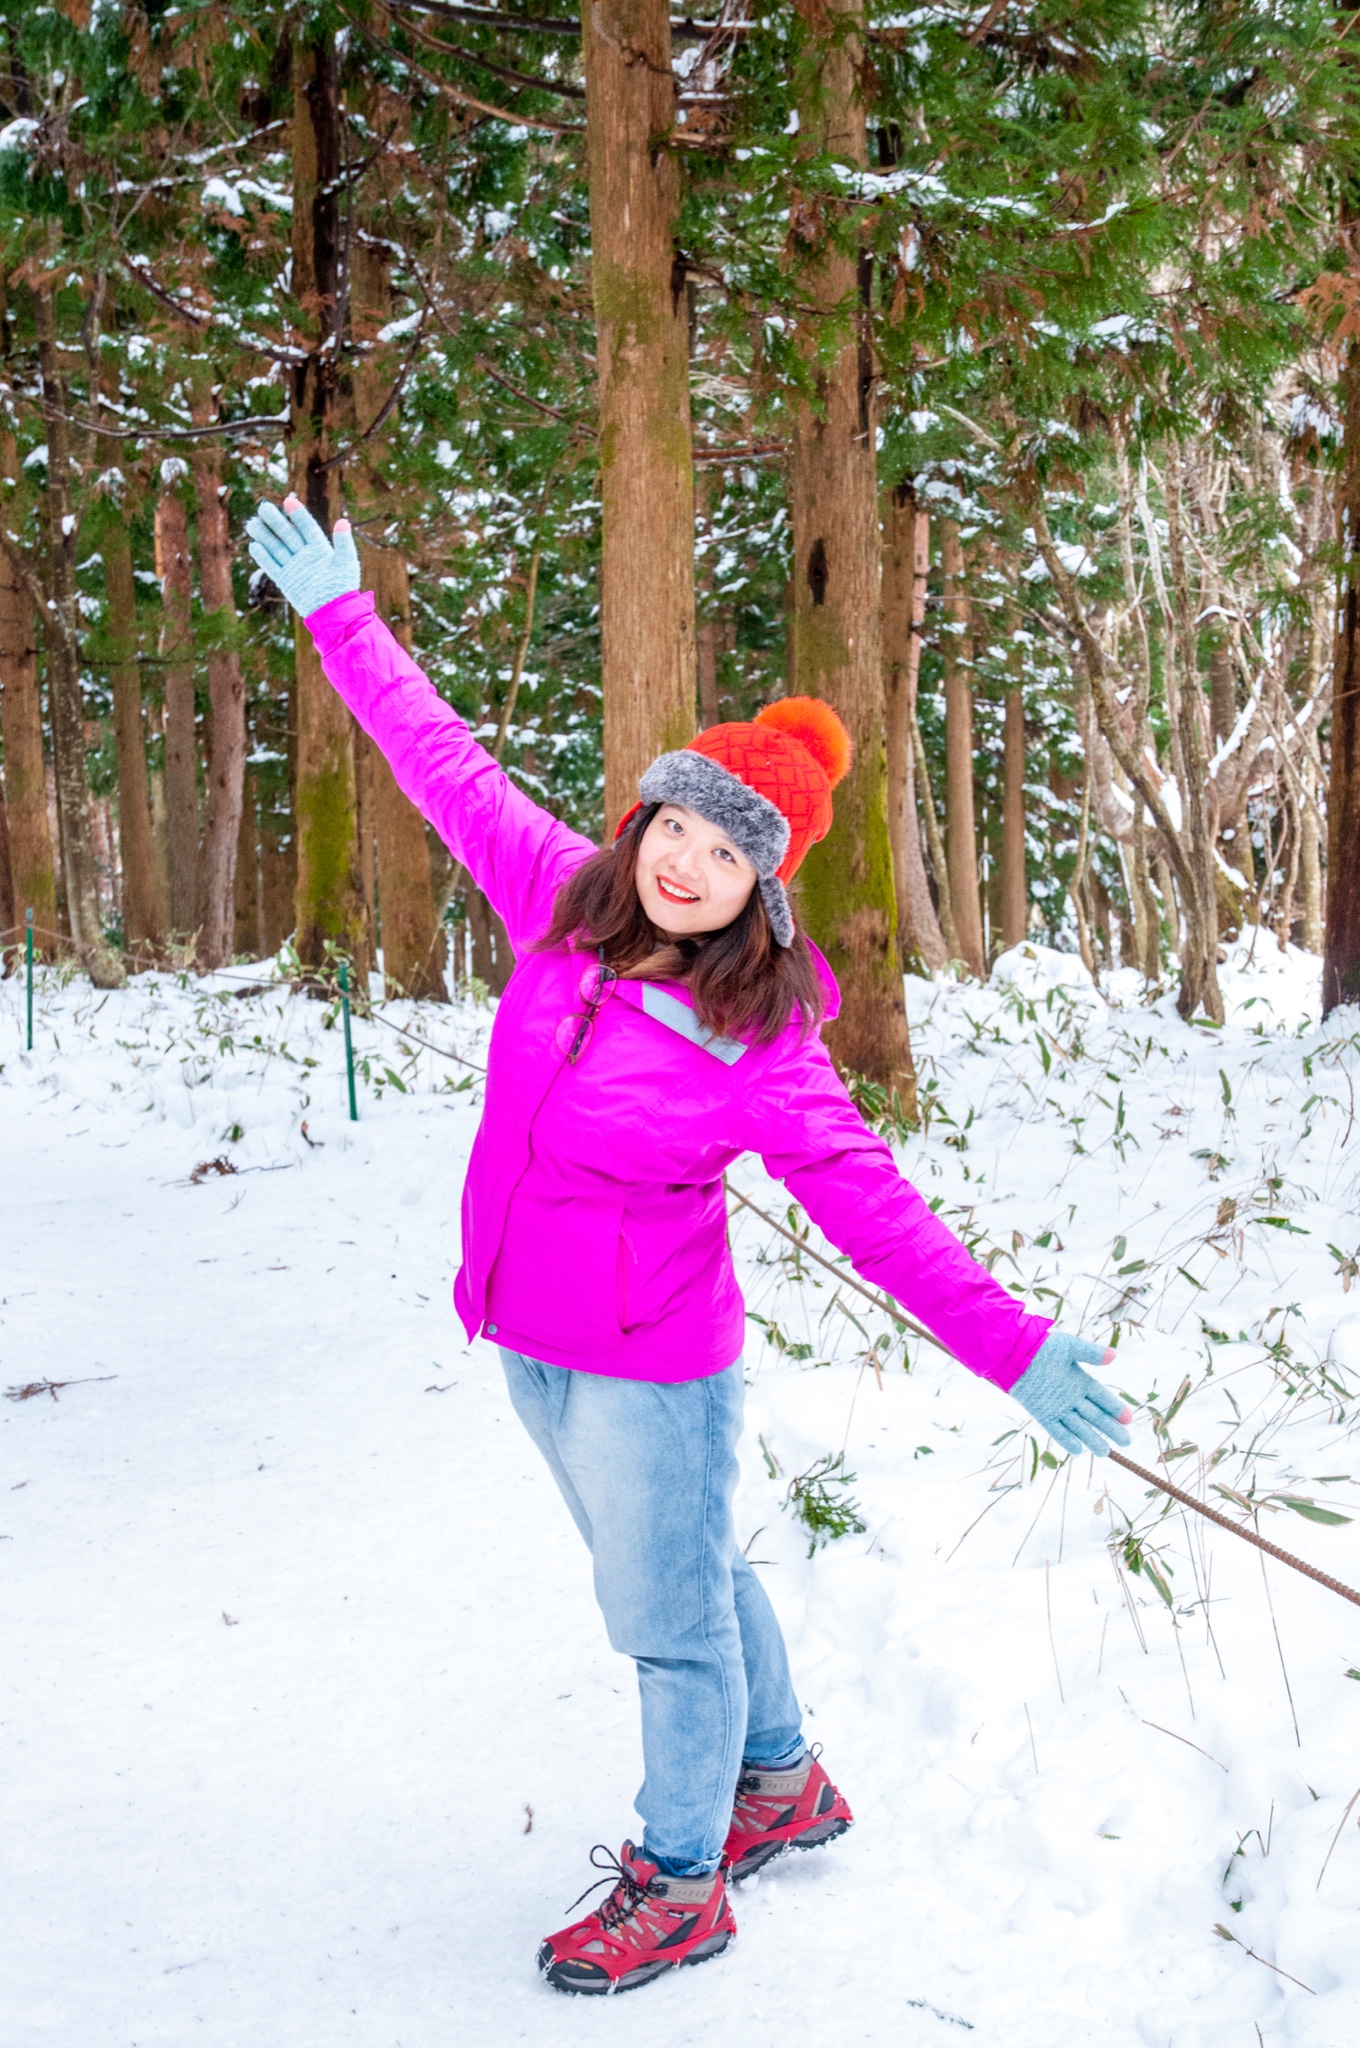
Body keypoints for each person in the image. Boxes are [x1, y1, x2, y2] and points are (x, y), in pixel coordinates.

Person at [246, 497, 1134, 1998]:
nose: (686, 862)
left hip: (653, 1363)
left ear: (759, 885)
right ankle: (780, 1780)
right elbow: (441, 758)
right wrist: (347, 622)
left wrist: (1017, 1347)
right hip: (531, 1339)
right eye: (676, 825)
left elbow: (877, 1209)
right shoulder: (556, 904)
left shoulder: (761, 1037)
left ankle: (682, 1880)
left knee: (663, 1619)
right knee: (683, 1571)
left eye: (726, 850)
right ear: (643, 822)